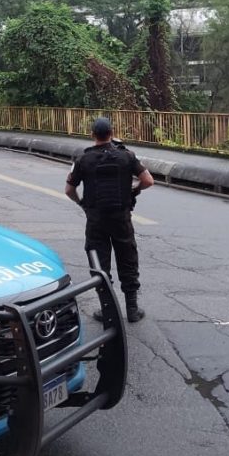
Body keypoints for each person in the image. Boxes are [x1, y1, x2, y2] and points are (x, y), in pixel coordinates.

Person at [65, 117, 154, 323]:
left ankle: (107, 311)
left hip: (96, 220)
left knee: (100, 263)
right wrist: (135, 189)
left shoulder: (82, 160)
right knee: (127, 259)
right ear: (112, 133)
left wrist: (82, 204)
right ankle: (132, 309)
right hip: (121, 218)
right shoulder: (126, 156)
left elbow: (69, 189)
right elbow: (148, 180)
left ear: (92, 135)